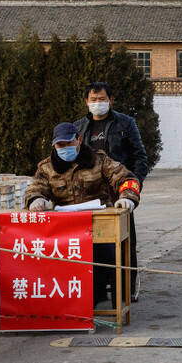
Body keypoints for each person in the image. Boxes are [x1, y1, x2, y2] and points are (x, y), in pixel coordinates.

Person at [26, 122, 142, 306]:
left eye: (69, 143)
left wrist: (127, 197)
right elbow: (34, 189)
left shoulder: (100, 161)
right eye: (60, 145)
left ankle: (104, 304)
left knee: (106, 257)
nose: (65, 148)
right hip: (65, 232)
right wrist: (34, 200)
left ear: (79, 140)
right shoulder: (47, 168)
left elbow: (127, 179)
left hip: (99, 228)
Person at [73, 82, 150, 301]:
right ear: (86, 101)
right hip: (89, 197)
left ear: (111, 100)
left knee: (125, 242)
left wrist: (133, 190)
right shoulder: (78, 128)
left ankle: (127, 289)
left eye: (102, 99)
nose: (98, 103)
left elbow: (140, 158)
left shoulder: (125, 124)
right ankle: (98, 291)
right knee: (94, 244)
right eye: (94, 99)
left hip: (119, 195)